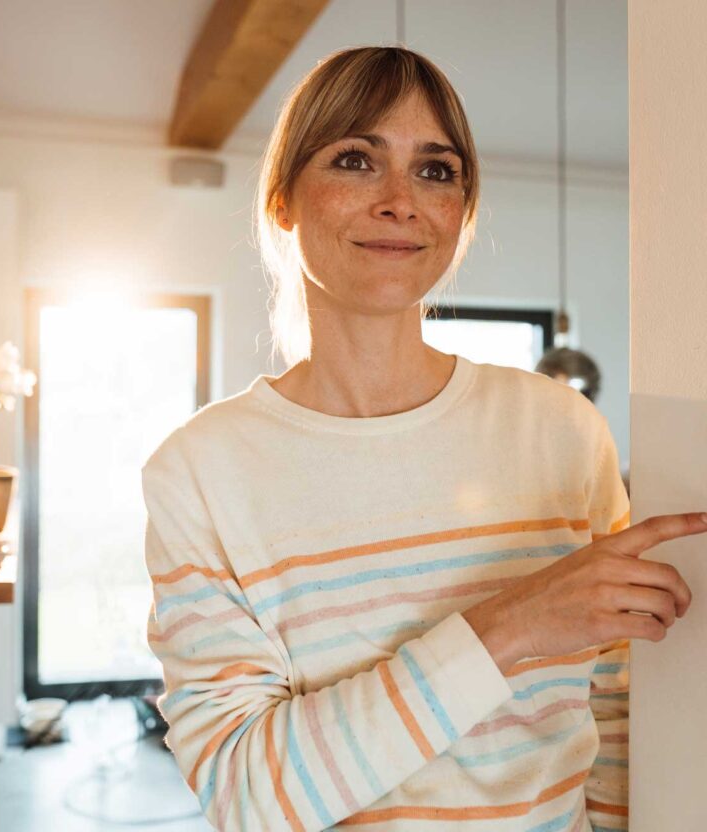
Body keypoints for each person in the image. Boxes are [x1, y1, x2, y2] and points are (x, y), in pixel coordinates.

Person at [141, 46, 702, 831]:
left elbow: (614, 707)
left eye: (436, 171)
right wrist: (511, 626)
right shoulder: (199, 473)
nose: (400, 200)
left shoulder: (563, 431)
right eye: (355, 160)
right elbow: (245, 794)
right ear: (282, 202)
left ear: (462, 214)